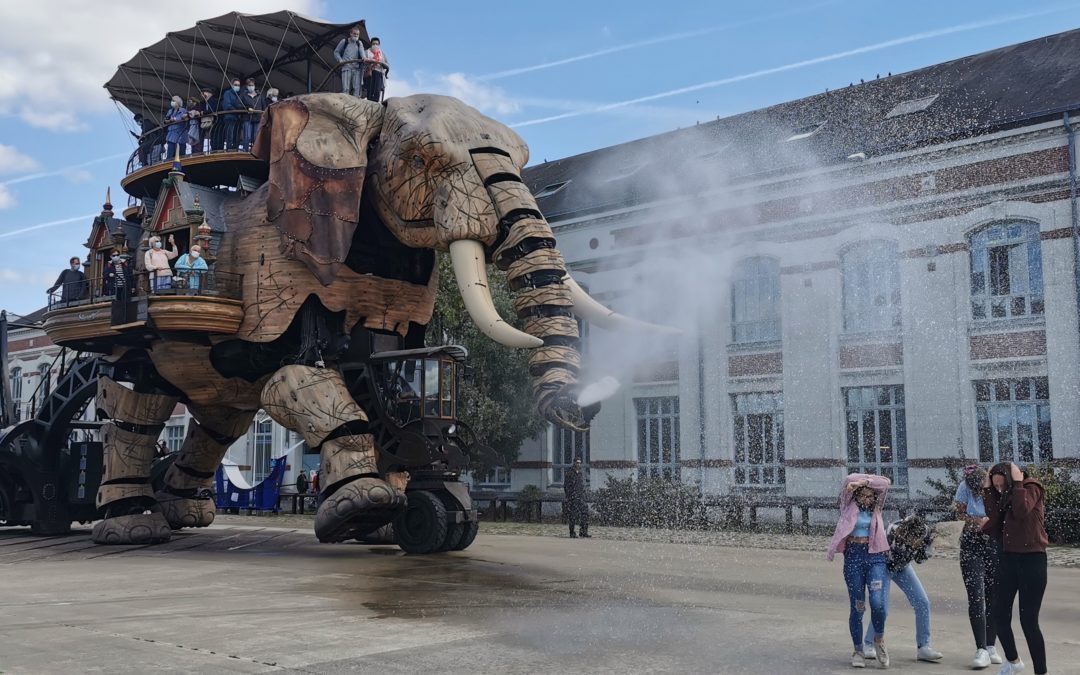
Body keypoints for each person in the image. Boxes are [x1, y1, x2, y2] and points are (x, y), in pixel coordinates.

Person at [983, 462, 1049, 675]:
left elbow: (1021, 511)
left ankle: (1041, 671)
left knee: (1028, 621)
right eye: (997, 486)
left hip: (1032, 561)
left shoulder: (1031, 488)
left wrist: (1018, 482)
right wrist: (988, 490)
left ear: (1012, 479)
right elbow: (993, 517)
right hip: (1007, 560)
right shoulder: (1005, 494)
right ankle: (1013, 661)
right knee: (999, 614)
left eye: (1002, 485)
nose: (1000, 489)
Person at [827, 472, 892, 669]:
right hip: (854, 555)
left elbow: (885, 482)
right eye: (862, 495)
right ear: (855, 496)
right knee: (858, 605)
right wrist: (855, 485)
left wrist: (865, 482)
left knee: (878, 603)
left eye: (870, 496)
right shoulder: (848, 504)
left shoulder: (877, 506)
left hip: (876, 556)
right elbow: (847, 479)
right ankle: (858, 650)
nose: (866, 499)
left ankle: (878, 640)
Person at [864, 514, 943, 663]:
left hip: (903, 567)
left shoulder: (925, 533)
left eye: (917, 540)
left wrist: (928, 549)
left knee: (922, 602)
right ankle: (868, 644)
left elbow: (920, 559)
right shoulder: (892, 532)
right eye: (912, 540)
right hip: (883, 568)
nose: (914, 543)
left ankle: (924, 647)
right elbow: (877, 556)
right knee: (882, 608)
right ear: (904, 532)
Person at [955, 464, 1002, 668]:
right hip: (971, 544)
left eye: (983, 487)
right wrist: (974, 521)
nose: (981, 492)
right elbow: (959, 513)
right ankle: (981, 648)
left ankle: (991, 645)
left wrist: (990, 522)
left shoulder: (996, 488)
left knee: (994, 596)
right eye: (977, 489)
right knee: (976, 595)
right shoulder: (964, 486)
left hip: (993, 543)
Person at [334, 26, 365, 97]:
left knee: (357, 88)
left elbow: (362, 52)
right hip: (346, 67)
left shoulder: (359, 43)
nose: (356, 35)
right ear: (351, 33)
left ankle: (356, 103)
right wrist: (340, 60)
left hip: (356, 68)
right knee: (346, 88)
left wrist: (364, 58)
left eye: (357, 34)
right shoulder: (344, 41)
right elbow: (336, 52)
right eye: (354, 34)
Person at [563, 457, 589, 538]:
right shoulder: (569, 473)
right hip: (573, 497)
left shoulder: (580, 473)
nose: (578, 464)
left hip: (581, 496)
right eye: (577, 462)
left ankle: (583, 531)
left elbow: (581, 485)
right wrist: (570, 496)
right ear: (574, 463)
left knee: (585, 512)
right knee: (573, 515)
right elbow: (566, 486)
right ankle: (572, 532)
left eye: (579, 463)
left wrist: (583, 493)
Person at [219, 78, 245, 150]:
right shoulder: (227, 93)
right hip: (230, 117)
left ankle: (235, 149)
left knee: (237, 135)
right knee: (229, 135)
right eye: (235, 85)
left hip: (238, 118)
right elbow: (227, 105)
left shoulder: (240, 94)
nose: (237, 86)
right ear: (232, 85)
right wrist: (238, 109)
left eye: (238, 85)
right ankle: (229, 150)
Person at [364, 36, 389, 103]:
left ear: (379, 45)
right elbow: (363, 61)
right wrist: (371, 61)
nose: (375, 45)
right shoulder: (367, 52)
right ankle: (369, 104)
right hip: (370, 72)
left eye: (377, 44)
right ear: (371, 44)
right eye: (374, 44)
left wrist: (381, 63)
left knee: (377, 91)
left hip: (379, 73)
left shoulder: (382, 54)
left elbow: (387, 64)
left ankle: (375, 104)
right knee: (370, 90)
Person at [240, 78, 262, 151]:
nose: (251, 86)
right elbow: (238, 104)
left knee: (256, 136)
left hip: (257, 118)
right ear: (246, 86)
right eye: (249, 85)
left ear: (254, 85)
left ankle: (255, 151)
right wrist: (247, 108)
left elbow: (264, 106)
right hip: (247, 118)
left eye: (252, 85)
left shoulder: (260, 95)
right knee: (247, 136)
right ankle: (245, 151)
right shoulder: (243, 95)